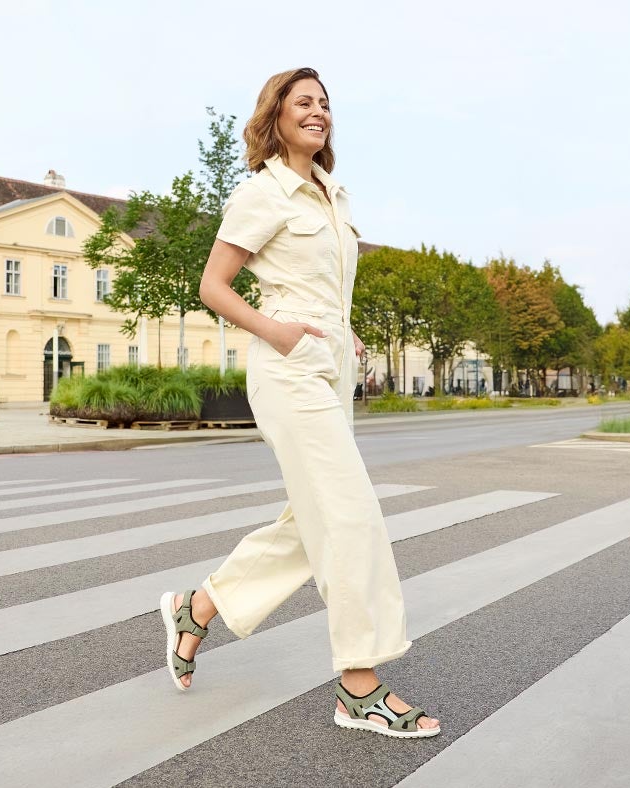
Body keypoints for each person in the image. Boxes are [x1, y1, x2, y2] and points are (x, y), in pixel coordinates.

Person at [160, 67, 439, 739]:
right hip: (286, 371)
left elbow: (320, 286)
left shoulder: (331, 195)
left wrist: (348, 332)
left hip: (329, 368)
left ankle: (197, 609)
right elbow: (214, 285)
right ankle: (359, 685)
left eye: (325, 105)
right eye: (304, 103)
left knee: (310, 521)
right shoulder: (263, 192)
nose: (318, 112)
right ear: (276, 117)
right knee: (350, 515)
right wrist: (278, 329)